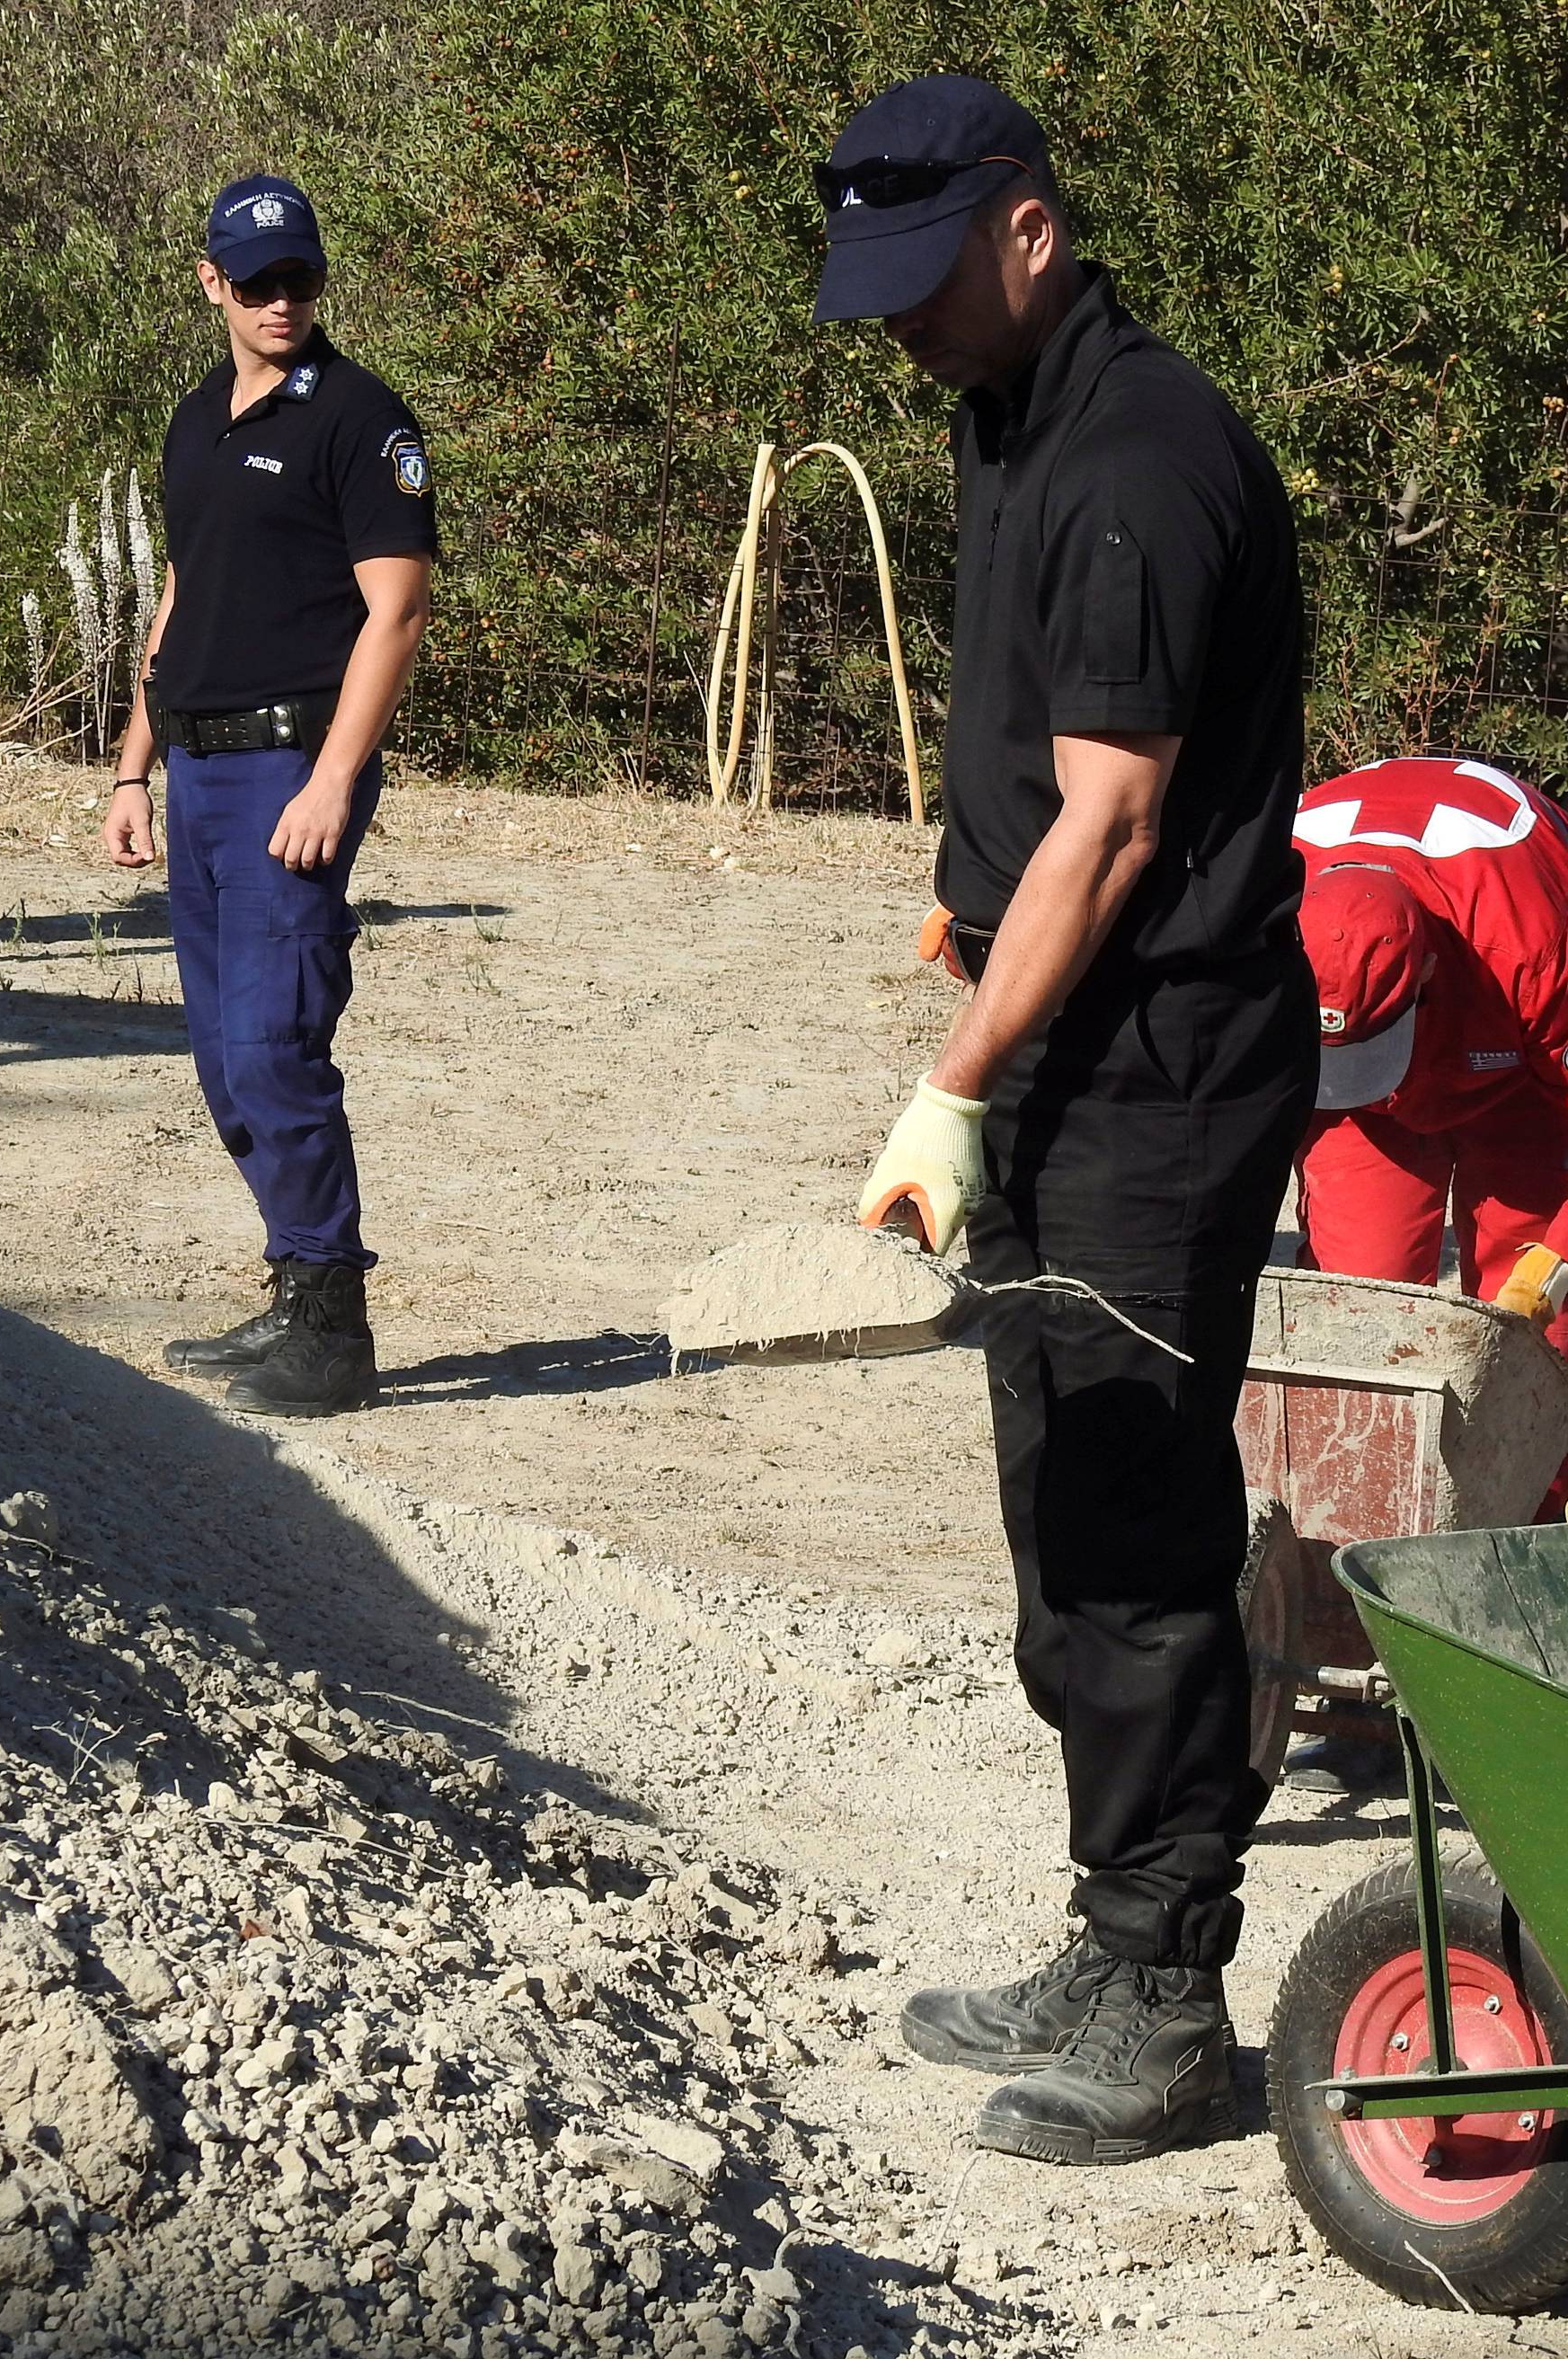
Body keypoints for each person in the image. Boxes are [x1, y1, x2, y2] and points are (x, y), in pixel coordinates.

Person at [811, 75, 1317, 2163]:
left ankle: (1169, 1996)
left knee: (1131, 1527)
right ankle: (1113, 1924)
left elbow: (1111, 835)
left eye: (928, 286)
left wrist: (946, 1085)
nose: (905, 331)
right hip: (1065, 1050)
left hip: (1160, 1066)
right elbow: (1046, 777)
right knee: (1059, 1503)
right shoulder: (1005, 415)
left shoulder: (1132, 461)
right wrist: (969, 919)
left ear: (1028, 230)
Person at [102, 174, 436, 1416]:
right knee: (221, 1061)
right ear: (211, 285)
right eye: (256, 283)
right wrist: (136, 762)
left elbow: (396, 612)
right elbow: (183, 596)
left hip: (291, 769)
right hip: (195, 767)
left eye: (300, 278)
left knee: (274, 1041)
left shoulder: (359, 419)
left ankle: (336, 1328)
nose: (281, 301)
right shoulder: (196, 420)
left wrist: (334, 782)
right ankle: (294, 1289)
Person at [1295, 755, 1568, 1352]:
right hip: (1363, 1099)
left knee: (1533, 1320)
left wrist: (1557, 1262)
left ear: (1426, 970)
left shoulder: (1537, 949)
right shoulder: (1267, 897)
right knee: (1360, 1311)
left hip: (1520, 1069)